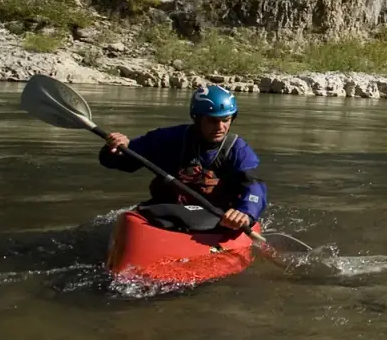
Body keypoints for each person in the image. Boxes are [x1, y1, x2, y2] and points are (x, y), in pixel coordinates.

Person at [99, 84, 267, 231]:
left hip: (216, 217)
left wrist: (246, 212)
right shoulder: (168, 139)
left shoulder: (238, 149)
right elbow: (124, 162)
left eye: (226, 120)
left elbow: (254, 186)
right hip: (168, 212)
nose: (220, 127)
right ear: (197, 118)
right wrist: (115, 149)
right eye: (212, 121)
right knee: (131, 217)